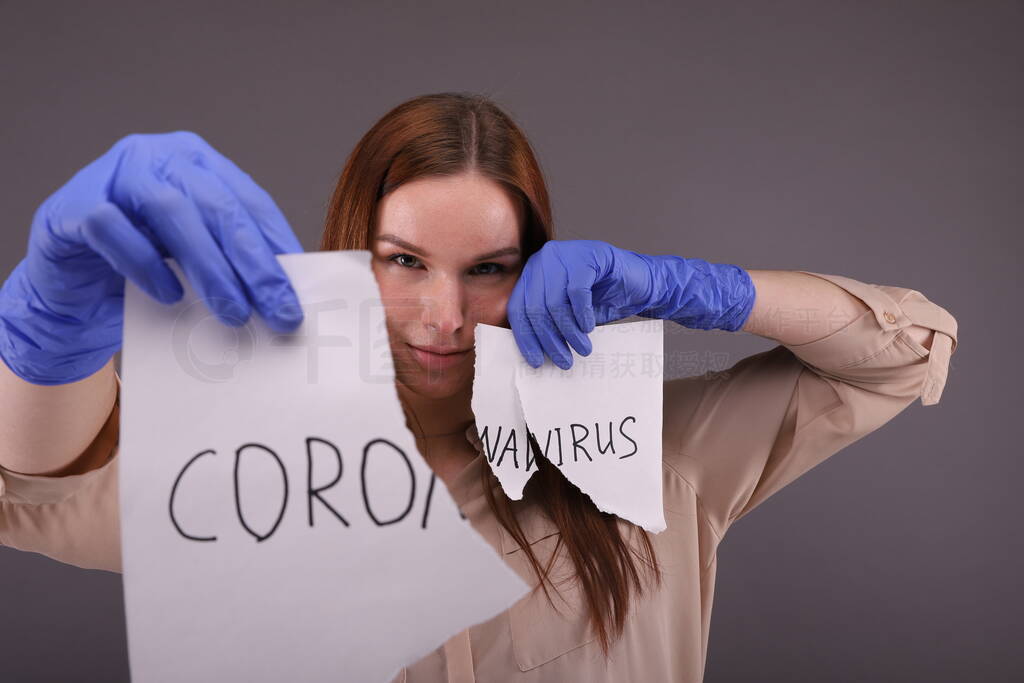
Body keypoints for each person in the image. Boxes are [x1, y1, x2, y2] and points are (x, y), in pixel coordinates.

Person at [0, 92, 958, 682]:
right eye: (405, 260)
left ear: (539, 266)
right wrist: (48, 332)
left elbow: (905, 353)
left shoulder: (653, 459)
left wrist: (699, 288)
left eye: (490, 268)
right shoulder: (255, 471)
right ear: (349, 252)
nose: (444, 315)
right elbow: (34, 480)